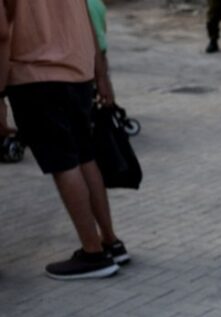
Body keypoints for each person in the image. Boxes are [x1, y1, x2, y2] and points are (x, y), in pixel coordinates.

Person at [0, 0, 130, 279]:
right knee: (85, 156)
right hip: (79, 73)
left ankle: (93, 254)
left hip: (34, 74)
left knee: (63, 163)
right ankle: (111, 242)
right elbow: (90, 21)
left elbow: (1, 33)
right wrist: (101, 75)